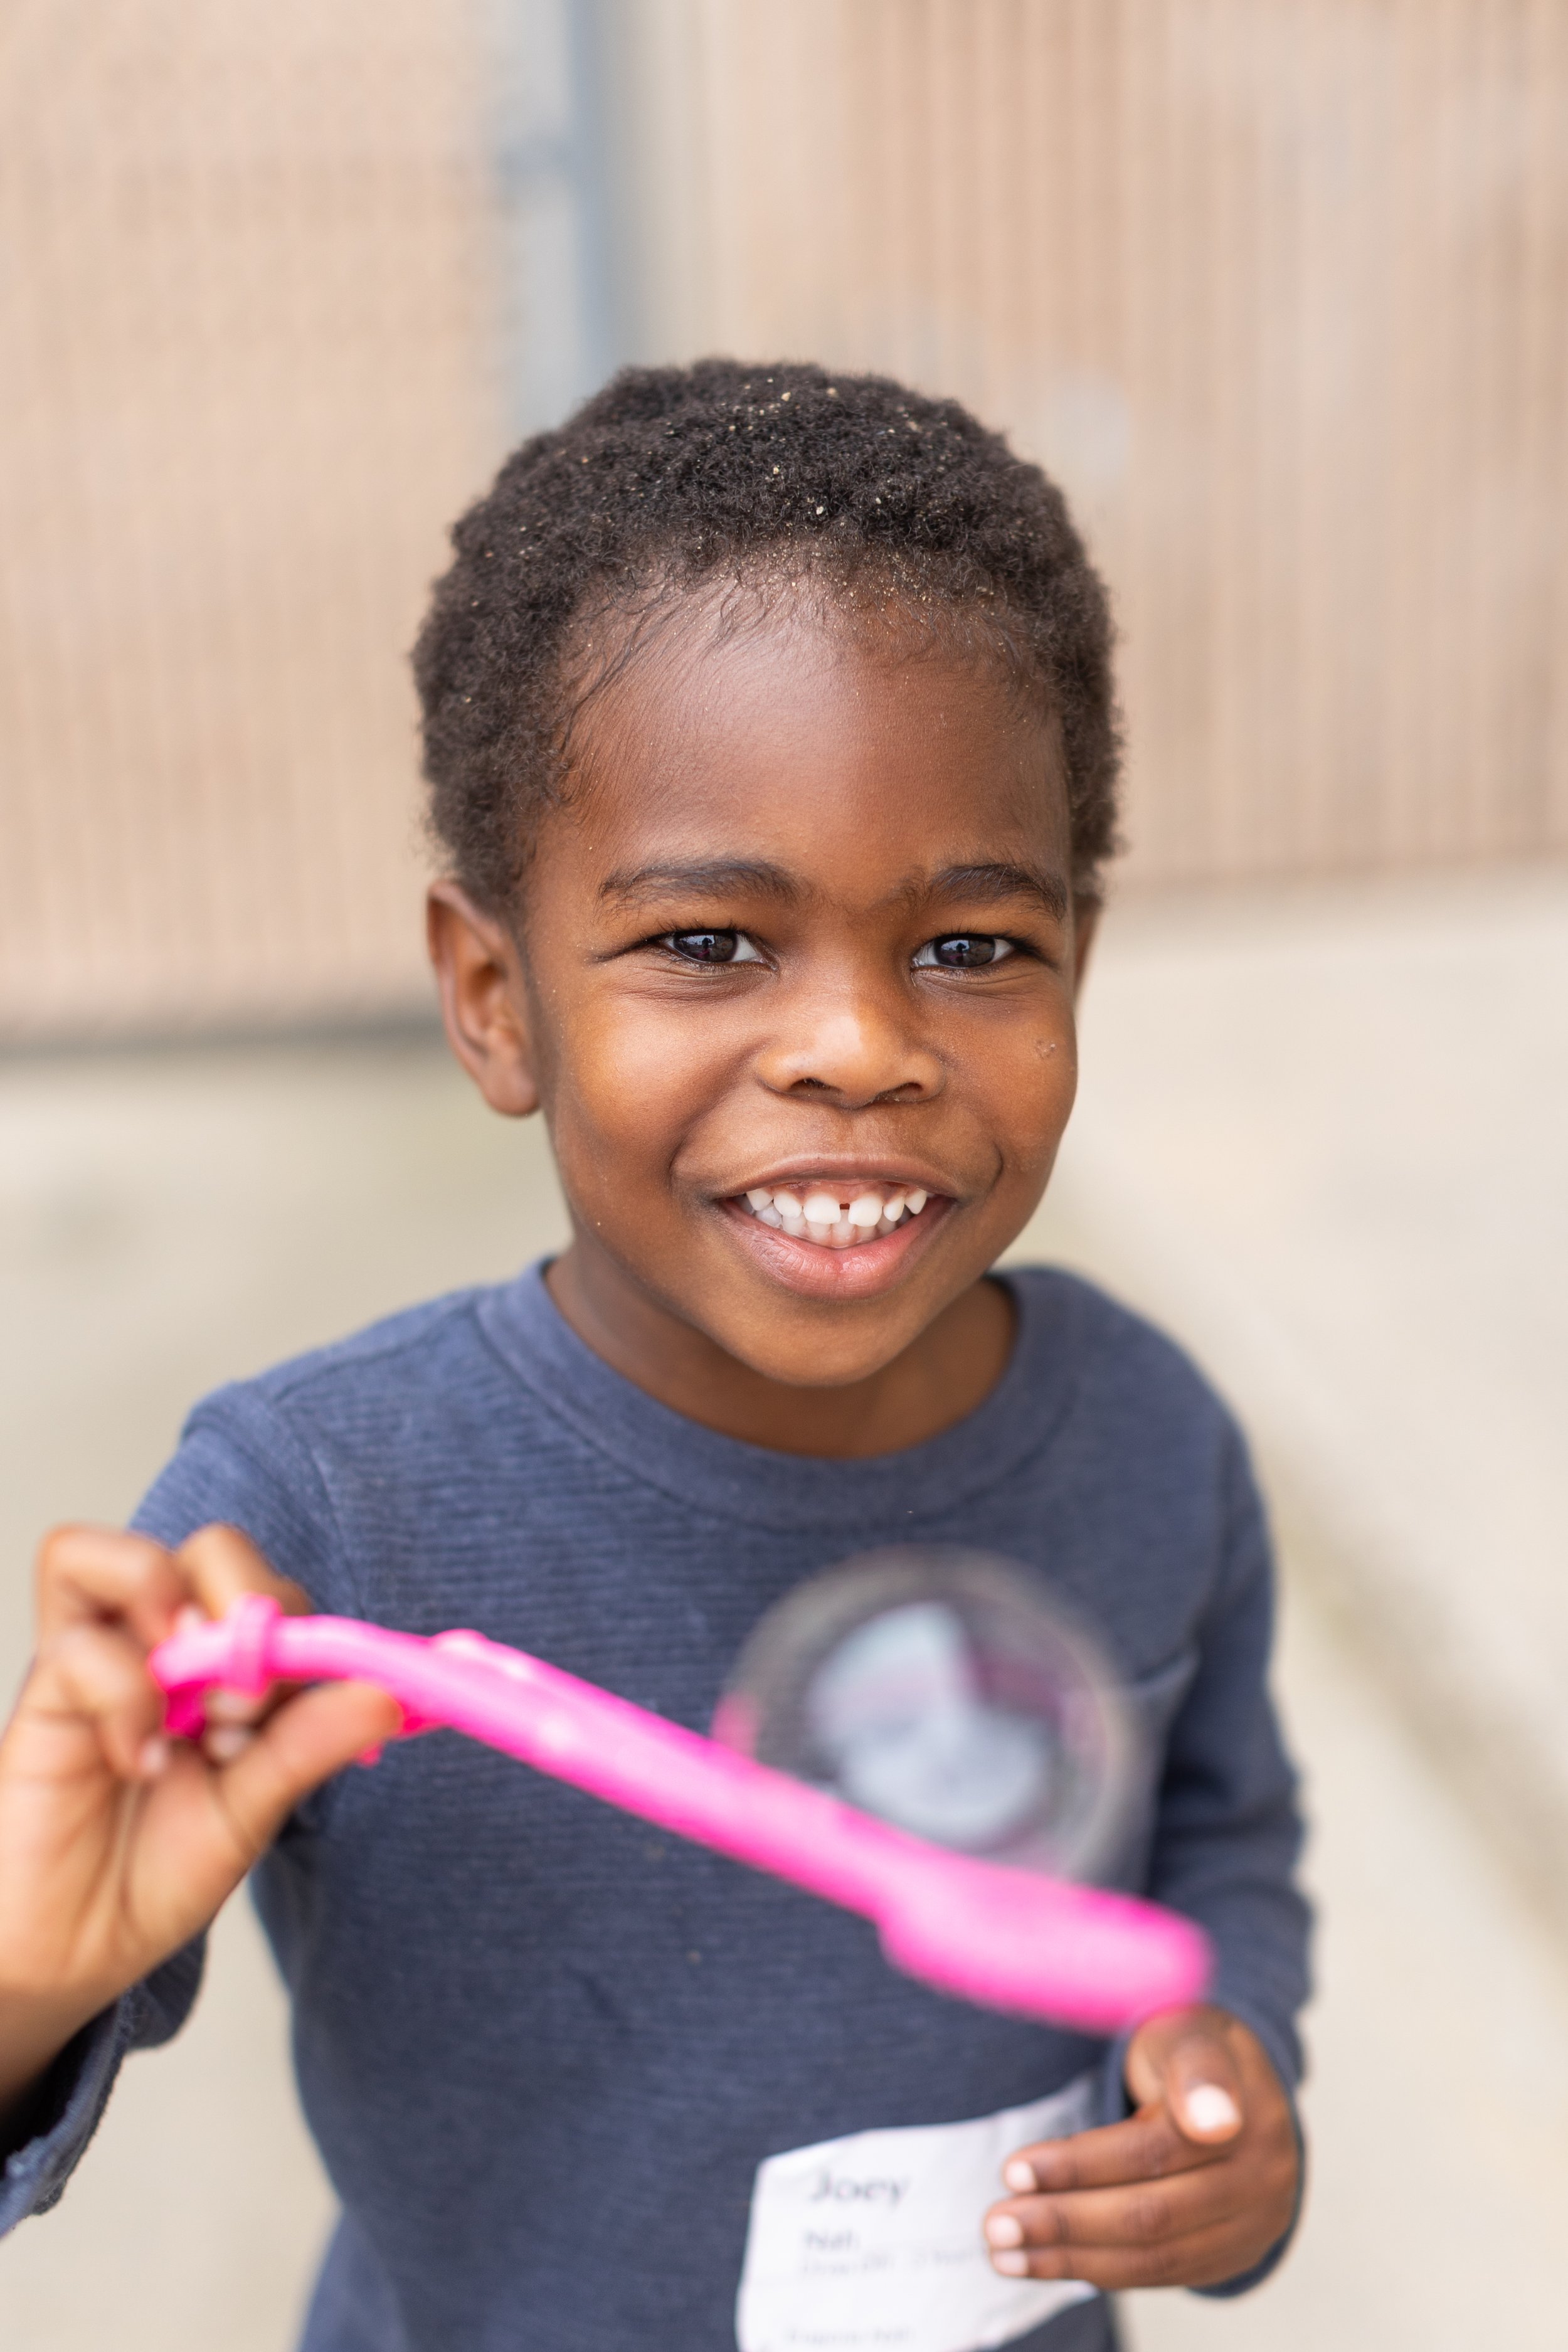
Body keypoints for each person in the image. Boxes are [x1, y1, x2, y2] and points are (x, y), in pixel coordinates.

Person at [0, 361, 1309, 2352]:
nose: (860, 1047)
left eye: (972, 946)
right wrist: (22, 1982)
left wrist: (1242, 2076)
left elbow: (1218, 1833)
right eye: (709, 943)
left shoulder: (1145, 1433)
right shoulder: (308, 1527)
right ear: (492, 995)